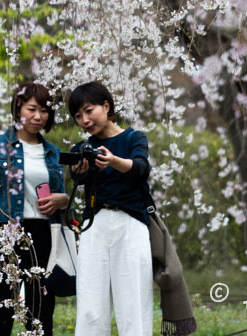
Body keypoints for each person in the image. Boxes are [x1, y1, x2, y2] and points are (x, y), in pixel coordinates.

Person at [0, 82, 69, 336]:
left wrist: (63, 199)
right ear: (18, 109)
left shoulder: (52, 153)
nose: (38, 116)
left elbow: (60, 198)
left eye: (44, 111)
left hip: (43, 234)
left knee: (41, 308)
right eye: (32, 109)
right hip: (6, 230)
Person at [67, 81, 153, 336]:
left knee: (133, 302)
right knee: (90, 305)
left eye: (89, 110)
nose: (84, 119)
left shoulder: (132, 137)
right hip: (95, 224)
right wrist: (79, 171)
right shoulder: (83, 148)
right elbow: (79, 182)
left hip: (131, 223)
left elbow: (141, 169)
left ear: (106, 106)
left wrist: (114, 161)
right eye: (78, 116)